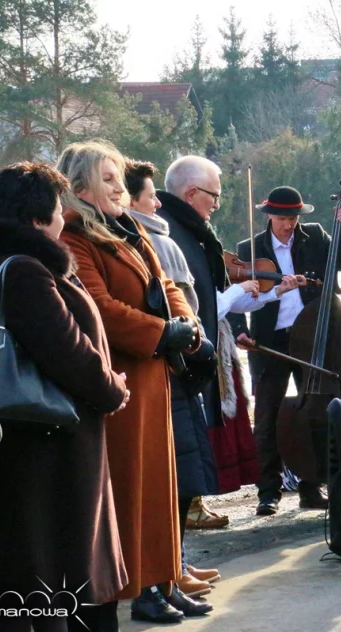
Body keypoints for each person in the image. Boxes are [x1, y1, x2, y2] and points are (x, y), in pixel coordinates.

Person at [57, 140, 211, 623]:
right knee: (134, 488)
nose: (120, 187)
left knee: (163, 485)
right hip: (123, 379)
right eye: (107, 178)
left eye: (119, 176)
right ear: (79, 188)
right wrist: (161, 332)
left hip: (156, 373)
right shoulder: (76, 238)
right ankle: (141, 588)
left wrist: (187, 325)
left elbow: (167, 284)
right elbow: (99, 307)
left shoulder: (127, 230)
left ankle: (164, 580)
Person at [0, 162, 128, 632]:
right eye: (60, 210)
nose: (65, 219)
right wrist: (113, 388)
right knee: (50, 578)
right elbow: (69, 353)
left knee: (17, 581)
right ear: (41, 218)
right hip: (46, 447)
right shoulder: (25, 269)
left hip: (1, 440)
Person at [123, 158, 222, 598]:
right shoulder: (152, 237)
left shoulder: (159, 235)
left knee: (180, 473)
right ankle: (163, 573)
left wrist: (192, 331)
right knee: (172, 477)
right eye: (150, 197)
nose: (156, 205)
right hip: (166, 365)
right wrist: (183, 336)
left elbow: (181, 297)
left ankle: (172, 566)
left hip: (180, 358)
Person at [230, 185, 341, 516]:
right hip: (269, 341)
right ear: (269, 215)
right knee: (267, 417)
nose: (288, 225)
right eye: (282, 218)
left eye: (292, 218)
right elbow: (234, 295)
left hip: (313, 336)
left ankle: (311, 486)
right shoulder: (250, 247)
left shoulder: (315, 236)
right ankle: (268, 491)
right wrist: (240, 332)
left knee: (316, 412)